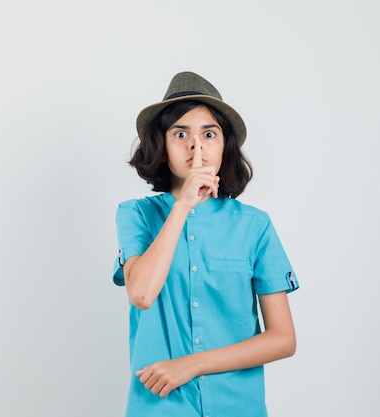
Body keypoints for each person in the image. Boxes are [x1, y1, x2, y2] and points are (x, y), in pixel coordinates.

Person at [113, 71, 300, 417]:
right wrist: (183, 204)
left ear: (224, 146)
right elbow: (141, 293)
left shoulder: (255, 226)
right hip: (159, 408)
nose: (195, 146)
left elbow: (283, 338)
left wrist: (192, 364)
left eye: (209, 133)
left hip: (238, 407)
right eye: (180, 133)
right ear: (161, 146)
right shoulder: (135, 215)